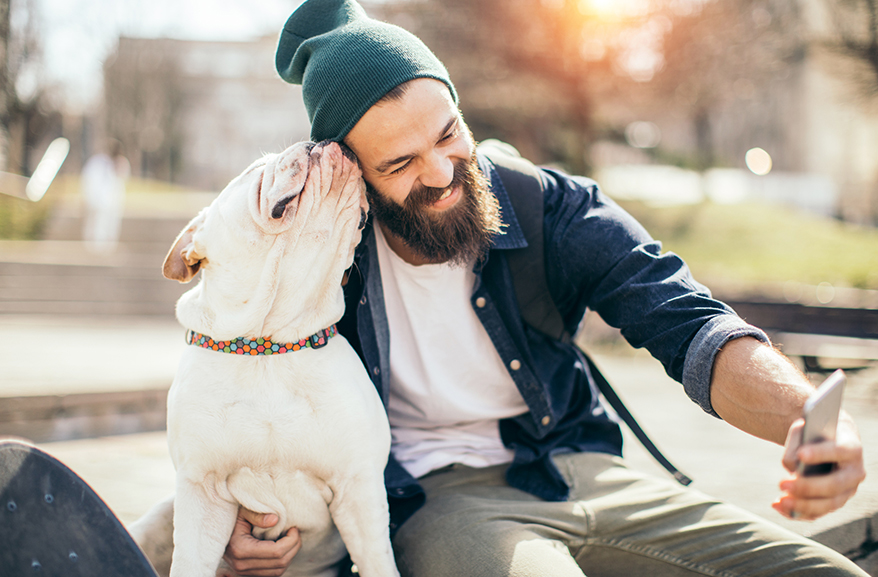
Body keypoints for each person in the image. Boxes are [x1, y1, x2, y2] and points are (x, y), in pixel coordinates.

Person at [132, 1, 868, 575]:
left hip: (582, 468)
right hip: (440, 501)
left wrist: (805, 417)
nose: (444, 171)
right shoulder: (325, 264)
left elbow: (687, 321)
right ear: (351, 175)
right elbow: (241, 397)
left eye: (449, 132)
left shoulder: (547, 205)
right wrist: (238, 531)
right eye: (401, 164)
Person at [81, 138, 129, 252]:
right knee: (96, 223)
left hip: (114, 201)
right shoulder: (97, 162)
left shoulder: (121, 163)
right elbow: (89, 180)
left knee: (111, 224)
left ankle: (107, 247)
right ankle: (95, 247)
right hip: (98, 199)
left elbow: (122, 179)